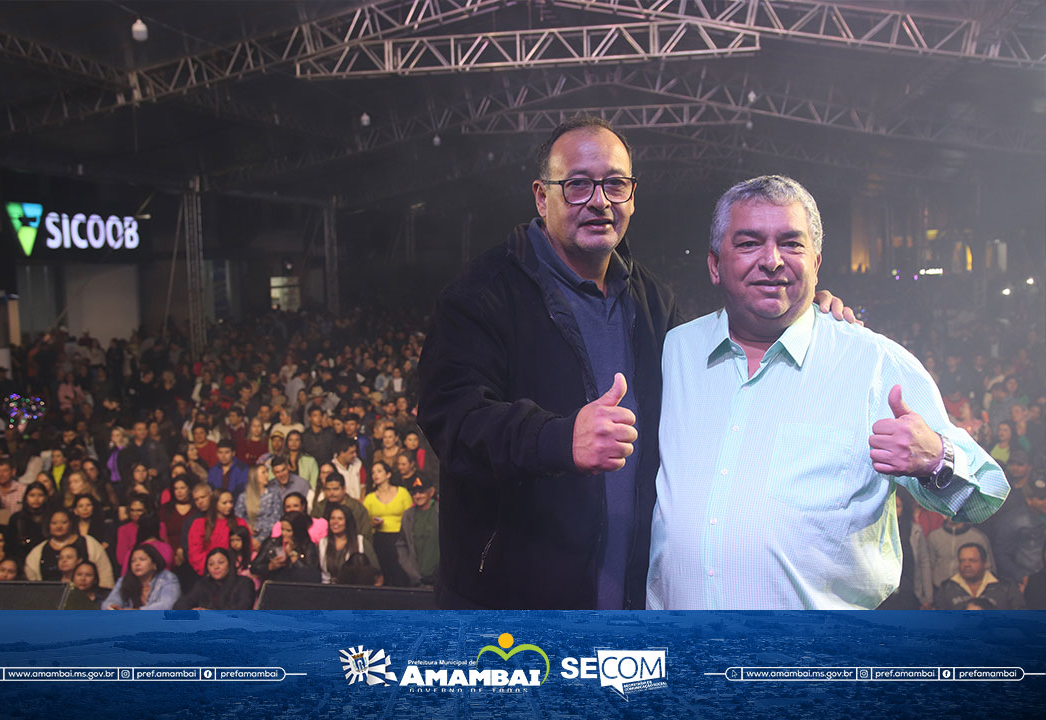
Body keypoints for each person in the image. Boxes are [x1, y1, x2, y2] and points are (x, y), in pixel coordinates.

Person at [418, 119, 858, 610]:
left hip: (632, 604)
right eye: (578, 184)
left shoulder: (652, 301)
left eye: (615, 184)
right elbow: (453, 422)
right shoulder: (480, 295)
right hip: (514, 611)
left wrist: (805, 315)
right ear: (542, 198)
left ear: (631, 195)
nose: (600, 201)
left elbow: (717, 374)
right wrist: (559, 439)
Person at [646, 175, 1008, 610]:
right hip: (681, 660)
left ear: (816, 261)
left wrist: (936, 460)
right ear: (714, 264)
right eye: (748, 243)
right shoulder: (675, 351)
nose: (772, 260)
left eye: (792, 244)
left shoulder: (875, 363)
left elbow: (986, 493)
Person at [25, 508, 114, 587]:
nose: (59, 526)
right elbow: (33, 580)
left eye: (64, 522)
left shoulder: (89, 543)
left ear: (71, 523)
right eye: (54, 523)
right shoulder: (38, 551)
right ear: (48, 525)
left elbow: (105, 573)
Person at [362, 461, 412, 587]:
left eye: (379, 471)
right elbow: (365, 523)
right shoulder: (369, 498)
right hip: (380, 538)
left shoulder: (402, 493)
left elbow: (411, 516)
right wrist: (372, 524)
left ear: (388, 474)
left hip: (400, 537)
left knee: (401, 572)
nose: (375, 475)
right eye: (373, 472)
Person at [934, 543, 1025, 610]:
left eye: (972, 560)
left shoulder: (1006, 587)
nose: (967, 565)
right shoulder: (947, 588)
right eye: (962, 561)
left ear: (985, 563)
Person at [187, 489, 250, 576]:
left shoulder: (240, 523)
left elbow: (247, 548)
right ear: (215, 504)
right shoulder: (200, 524)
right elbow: (195, 553)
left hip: (235, 573)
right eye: (224, 503)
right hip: (208, 573)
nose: (229, 506)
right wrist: (212, 570)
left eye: (231, 502)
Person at [174, 547, 257, 610]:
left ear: (229, 564)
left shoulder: (244, 583)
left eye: (221, 562)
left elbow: (243, 609)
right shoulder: (202, 584)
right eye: (211, 564)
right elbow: (180, 604)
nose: (216, 567)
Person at [250, 511, 320, 584]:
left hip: (298, 587)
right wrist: (270, 566)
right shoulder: (273, 543)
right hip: (275, 585)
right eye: (282, 529)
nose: (284, 533)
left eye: (288, 530)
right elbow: (254, 567)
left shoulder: (308, 546)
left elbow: (312, 576)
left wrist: (292, 554)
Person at [104, 544, 180, 610]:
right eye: (133, 561)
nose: (137, 564)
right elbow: (109, 602)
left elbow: (167, 605)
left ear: (154, 564)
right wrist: (112, 607)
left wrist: (137, 612)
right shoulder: (124, 580)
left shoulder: (167, 578)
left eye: (142, 559)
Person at [317, 503, 379, 584]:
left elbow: (376, 573)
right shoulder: (323, 543)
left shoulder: (360, 542)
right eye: (332, 518)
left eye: (340, 519)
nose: (335, 522)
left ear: (348, 521)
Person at [396, 477, 439, 587]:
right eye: (414, 493)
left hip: (440, 577)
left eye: (421, 492)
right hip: (416, 579)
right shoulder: (408, 516)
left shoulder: (441, 512)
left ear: (431, 492)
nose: (417, 496)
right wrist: (409, 568)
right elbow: (402, 544)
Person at [234, 463, 282, 546]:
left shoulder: (274, 494)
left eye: (267, 472)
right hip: (248, 537)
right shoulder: (243, 497)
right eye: (263, 473)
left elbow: (276, 518)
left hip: (269, 537)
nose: (267, 475)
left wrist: (260, 539)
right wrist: (247, 527)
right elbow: (238, 517)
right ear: (255, 476)